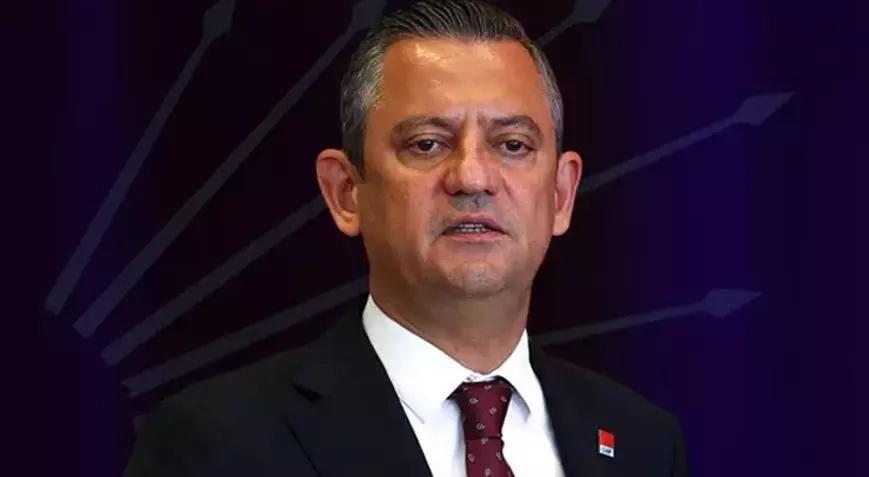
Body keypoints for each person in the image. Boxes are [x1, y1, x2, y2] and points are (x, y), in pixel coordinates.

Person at [124, 1, 688, 476]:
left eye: (512, 145)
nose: (473, 177)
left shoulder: (643, 444)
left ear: (561, 194)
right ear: (346, 192)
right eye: (427, 144)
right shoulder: (216, 444)